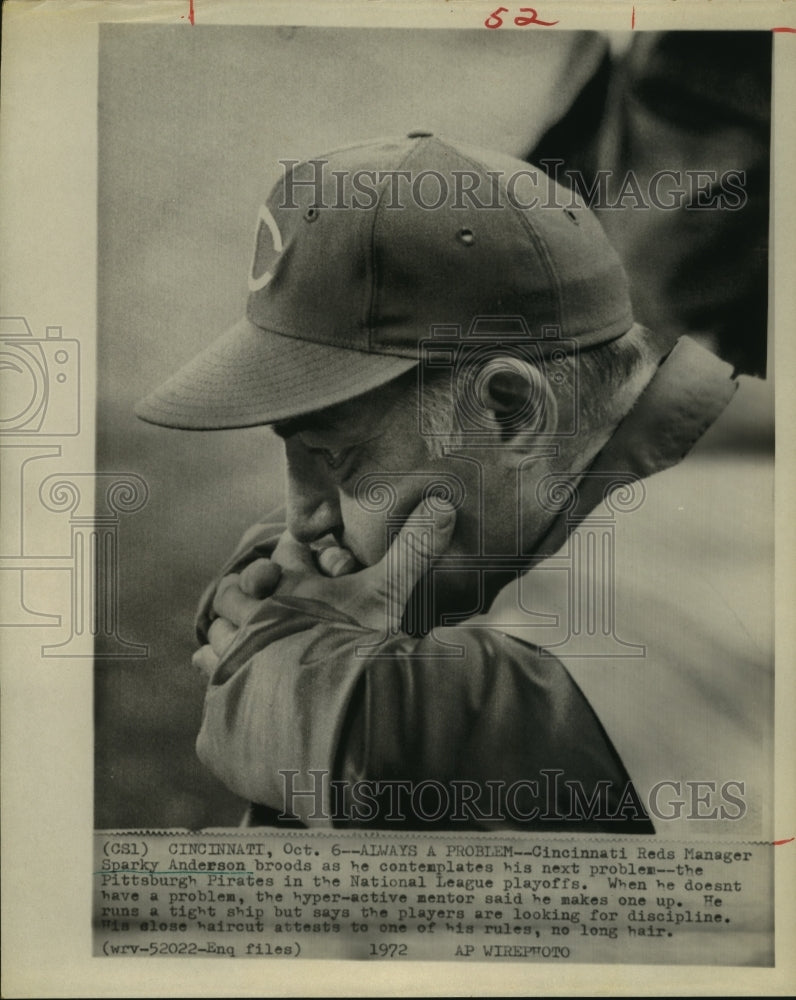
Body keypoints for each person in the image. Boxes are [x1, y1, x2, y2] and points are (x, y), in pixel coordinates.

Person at [136, 132, 746, 832]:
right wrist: (290, 605)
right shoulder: (607, 466)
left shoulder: (734, 535)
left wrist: (284, 662)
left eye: (335, 456)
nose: (302, 518)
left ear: (511, 412)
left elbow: (395, 743)